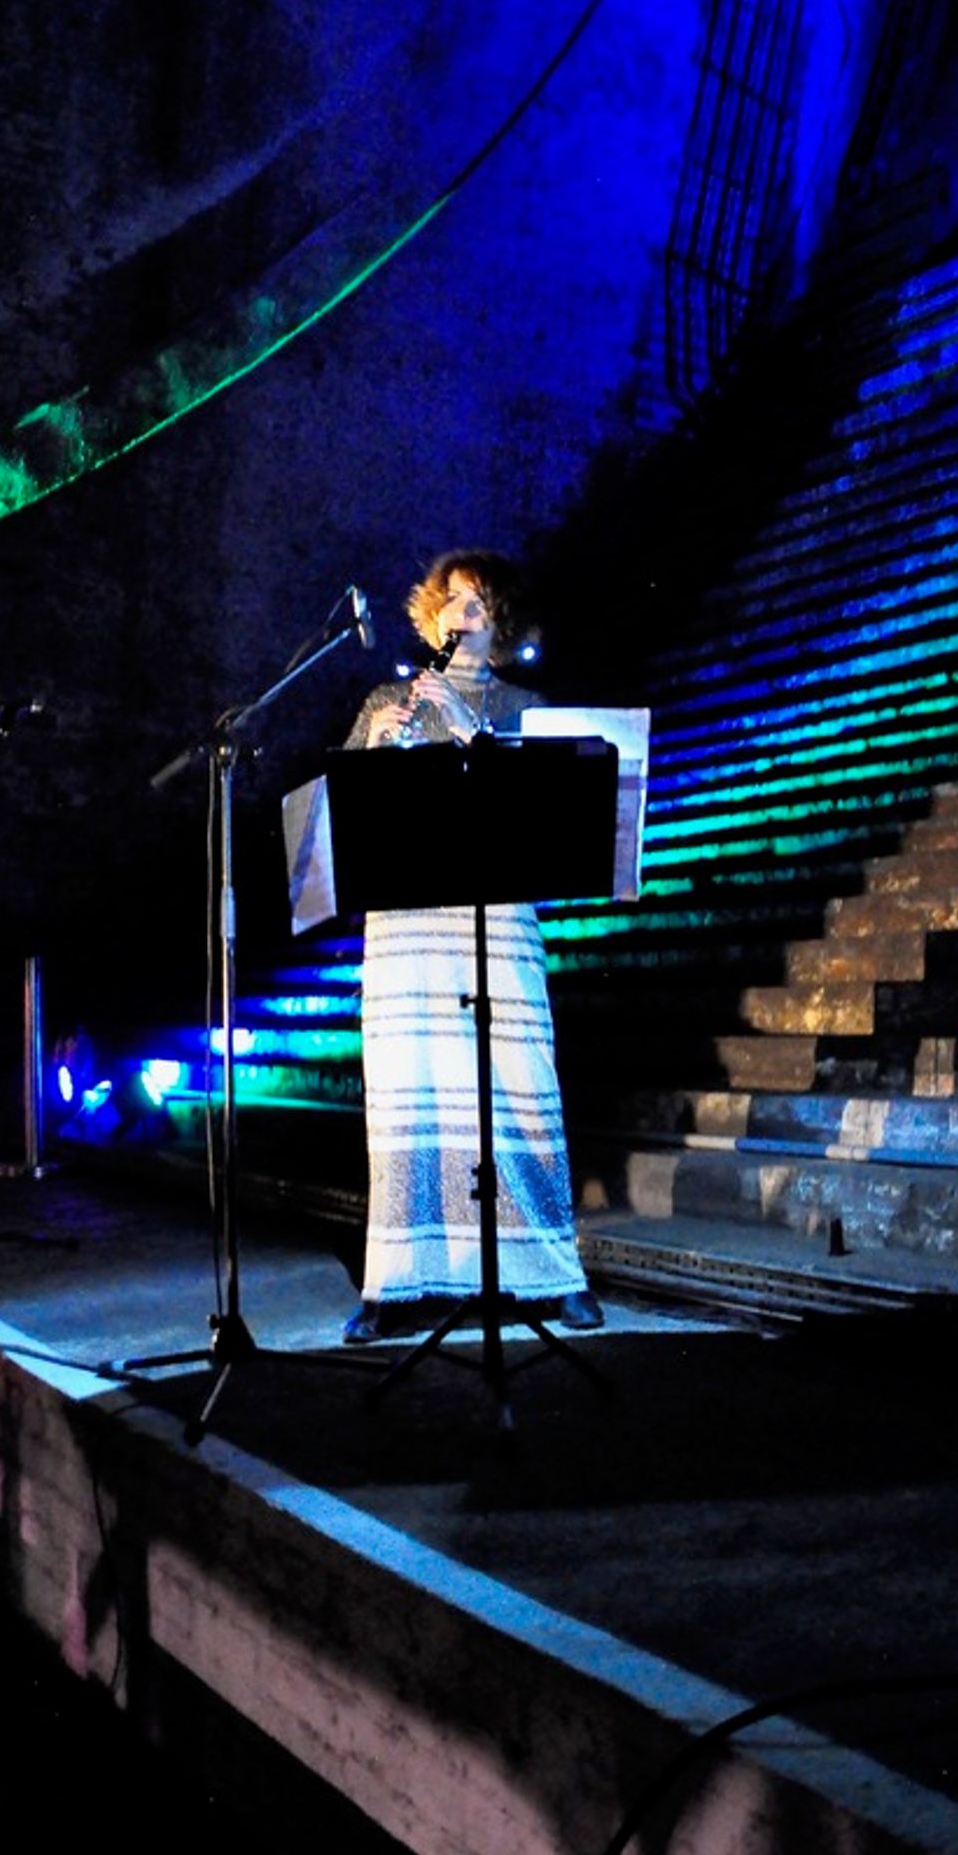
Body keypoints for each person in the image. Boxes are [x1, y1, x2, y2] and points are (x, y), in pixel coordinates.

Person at [341, 548, 603, 1344]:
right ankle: (396, 1280)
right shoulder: (389, 697)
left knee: (520, 1091)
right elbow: (346, 816)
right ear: (433, 614)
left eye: (480, 602)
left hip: (495, 914)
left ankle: (552, 1273)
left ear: (501, 619)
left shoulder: (524, 704)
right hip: (406, 929)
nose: (465, 613)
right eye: (453, 600)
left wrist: (472, 732)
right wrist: (374, 752)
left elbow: (549, 810)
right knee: (407, 1097)